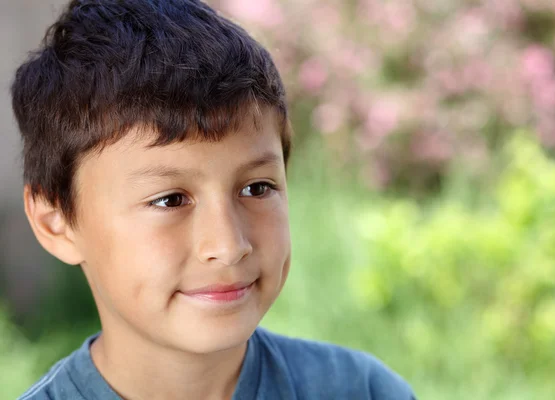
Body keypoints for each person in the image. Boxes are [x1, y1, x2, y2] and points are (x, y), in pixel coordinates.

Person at [11, 1, 416, 399]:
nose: (228, 246)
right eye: (170, 200)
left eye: (257, 188)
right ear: (55, 221)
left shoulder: (363, 389)